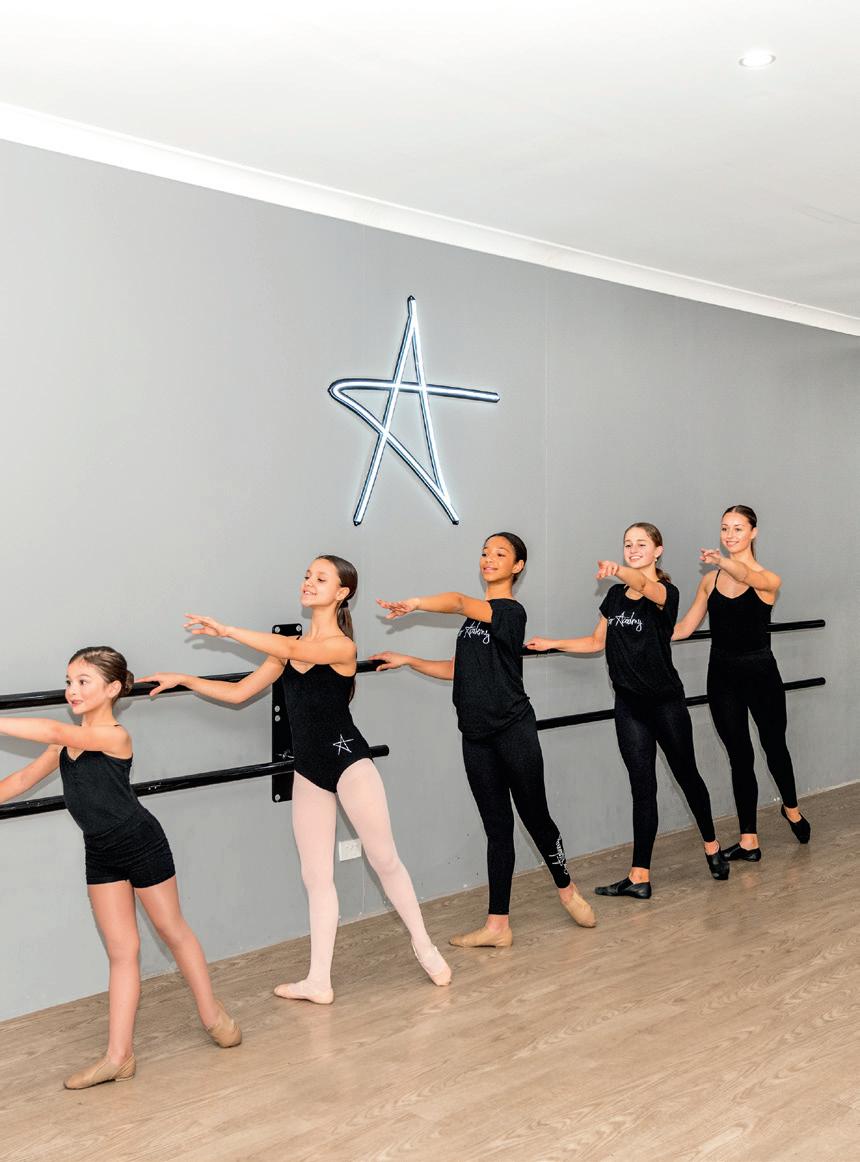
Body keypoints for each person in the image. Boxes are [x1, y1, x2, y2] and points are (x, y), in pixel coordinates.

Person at [143, 555, 450, 1005]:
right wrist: (186, 679)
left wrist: (227, 630)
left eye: (320, 578)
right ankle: (318, 980)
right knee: (315, 876)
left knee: (384, 859)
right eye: (307, 576)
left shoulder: (341, 647)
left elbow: (298, 652)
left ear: (342, 593)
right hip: (309, 770)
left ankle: (425, 947)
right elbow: (239, 693)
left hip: (350, 764)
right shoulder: (286, 649)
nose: (309, 582)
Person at [0, 646, 240, 1090]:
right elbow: (20, 780)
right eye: (69, 682)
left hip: (140, 843)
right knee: (122, 951)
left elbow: (53, 728)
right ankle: (119, 1056)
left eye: (83, 682)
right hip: (100, 851)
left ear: (112, 689)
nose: (72, 690)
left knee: (172, 931)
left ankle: (212, 1015)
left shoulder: (114, 736)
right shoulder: (66, 742)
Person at [371, 532, 596, 949]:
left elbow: (458, 601)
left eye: (500, 554)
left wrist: (416, 602)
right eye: (485, 552)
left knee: (536, 818)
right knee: (497, 829)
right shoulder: (474, 621)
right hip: (475, 736)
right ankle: (497, 926)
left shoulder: (510, 612)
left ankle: (567, 889)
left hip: (513, 729)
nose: (489, 559)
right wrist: (408, 660)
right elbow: (457, 669)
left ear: (517, 566)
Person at [527, 523, 729, 898]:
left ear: (657, 551)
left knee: (687, 776)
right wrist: (552, 643)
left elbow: (645, 586)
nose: (633, 549)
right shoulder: (615, 596)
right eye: (627, 544)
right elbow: (595, 642)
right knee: (642, 788)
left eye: (641, 544)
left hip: (666, 703)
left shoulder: (665, 593)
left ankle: (712, 847)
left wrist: (619, 569)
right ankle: (639, 877)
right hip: (629, 706)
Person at [673, 505, 810, 859]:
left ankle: (791, 809)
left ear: (753, 532)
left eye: (737, 528)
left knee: (774, 746)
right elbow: (684, 628)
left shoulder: (768, 579)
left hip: (761, 674)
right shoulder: (710, 581)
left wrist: (722, 561)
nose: (730, 535)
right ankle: (749, 839)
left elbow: (747, 575)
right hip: (721, 677)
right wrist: (642, 636)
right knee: (740, 756)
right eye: (725, 528)